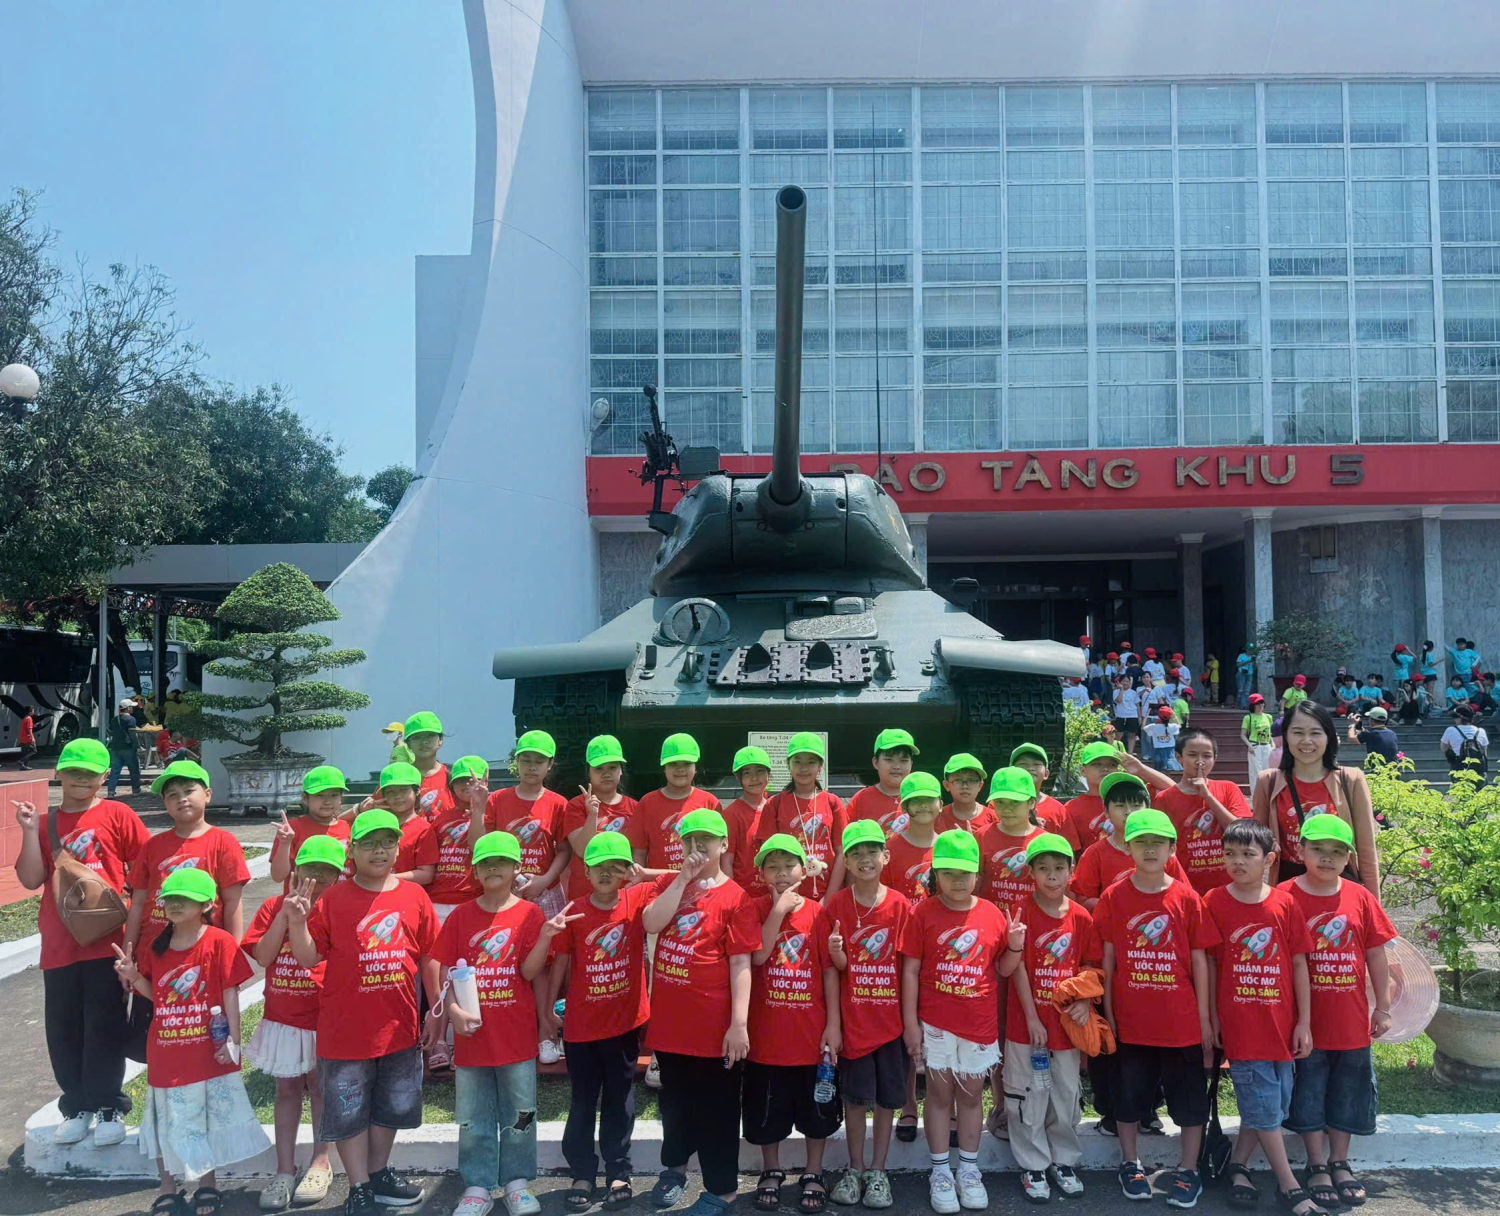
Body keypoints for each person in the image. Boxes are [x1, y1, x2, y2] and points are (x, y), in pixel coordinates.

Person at [285, 808, 441, 1216]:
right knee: (348, 1110)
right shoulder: (333, 899)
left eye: (387, 842)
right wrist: (297, 922)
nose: (379, 850)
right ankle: (359, 1187)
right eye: (368, 843)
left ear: (398, 848)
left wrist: (436, 1009)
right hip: (345, 1031)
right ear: (351, 850)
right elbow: (309, 957)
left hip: (399, 1026)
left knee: (392, 1106)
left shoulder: (414, 896)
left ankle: (378, 1173)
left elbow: (430, 956)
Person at [14, 738, 149, 1149]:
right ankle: (76, 1106)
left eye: (90, 773)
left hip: (108, 942)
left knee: (105, 1023)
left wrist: (137, 938)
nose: (81, 779)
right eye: (73, 771)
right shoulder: (46, 821)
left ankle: (108, 1105)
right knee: (64, 1028)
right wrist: (29, 832)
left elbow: (144, 871)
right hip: (60, 943)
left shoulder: (118, 814)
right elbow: (30, 879)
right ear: (58, 772)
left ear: (105, 776)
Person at [113, 868, 269, 1215]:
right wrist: (133, 976)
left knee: (205, 1121)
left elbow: (229, 993)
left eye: (185, 899)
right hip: (166, 1053)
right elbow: (158, 995)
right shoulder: (156, 947)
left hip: (205, 1052)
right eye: (170, 898)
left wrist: (233, 1040)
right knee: (164, 1121)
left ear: (206, 905)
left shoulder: (219, 942)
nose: (175, 904)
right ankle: (167, 1189)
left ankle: (207, 1186)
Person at [1095, 809, 1218, 1208]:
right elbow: (1108, 959)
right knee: (1128, 1097)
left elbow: (1200, 960)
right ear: (1128, 847)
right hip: (1132, 1022)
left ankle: (1188, 1169)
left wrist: (1204, 1019)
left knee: (1190, 1102)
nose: (1150, 849)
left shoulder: (1187, 898)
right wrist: (1109, 1013)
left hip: (1180, 1023)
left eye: (1158, 843)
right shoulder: (1114, 897)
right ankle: (1130, 1163)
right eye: (1141, 842)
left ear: (1172, 849)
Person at [642, 809, 760, 1216]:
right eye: (689, 840)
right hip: (671, 1025)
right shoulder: (668, 883)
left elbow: (741, 963)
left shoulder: (736, 898)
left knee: (717, 1109)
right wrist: (681, 880)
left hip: (713, 1026)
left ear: (723, 844)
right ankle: (674, 1170)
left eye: (706, 840)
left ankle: (722, 1189)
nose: (697, 847)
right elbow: (652, 922)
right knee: (675, 1104)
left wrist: (738, 1024)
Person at [1277, 816, 1395, 1212]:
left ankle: (1339, 1161)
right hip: (1303, 1023)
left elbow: (1376, 954)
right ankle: (1315, 1163)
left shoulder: (1360, 897)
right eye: (1318, 849)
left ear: (1348, 858)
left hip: (1351, 1020)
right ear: (1300, 851)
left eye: (1337, 851)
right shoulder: (1283, 896)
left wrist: (1383, 1007)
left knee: (1349, 1090)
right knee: (1308, 1090)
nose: (1327, 858)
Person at [432, 829, 553, 1216]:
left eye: (501, 861)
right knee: (473, 1115)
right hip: (472, 1038)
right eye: (485, 862)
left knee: (521, 1112)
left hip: (515, 1034)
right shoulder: (461, 916)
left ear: (517, 867)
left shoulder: (530, 914)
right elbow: (445, 970)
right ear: (475, 870)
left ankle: (517, 1181)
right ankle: (478, 1184)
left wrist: (545, 937)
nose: (493, 868)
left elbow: (530, 972)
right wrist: (452, 1011)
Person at [1204, 821, 1321, 1216]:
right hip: (1243, 1027)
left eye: (1247, 854)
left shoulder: (1285, 904)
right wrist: (1211, 1018)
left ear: (1269, 859)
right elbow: (1209, 964)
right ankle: (1289, 1186)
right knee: (1265, 1107)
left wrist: (1304, 1022)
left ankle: (1238, 1166)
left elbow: (1299, 963)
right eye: (1230, 854)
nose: (1237, 862)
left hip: (1281, 1025)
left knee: (1274, 1106)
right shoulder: (1214, 901)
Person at [899, 831, 1007, 1214]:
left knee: (973, 1096)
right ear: (936, 875)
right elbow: (910, 971)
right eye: (948, 873)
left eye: (965, 873)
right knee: (940, 1096)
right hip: (936, 1023)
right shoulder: (921, 913)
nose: (957, 881)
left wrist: (1016, 944)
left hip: (978, 1023)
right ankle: (941, 1172)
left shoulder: (993, 914)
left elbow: (1004, 967)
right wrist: (911, 1024)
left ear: (978, 874)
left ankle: (970, 1171)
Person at [243, 837, 346, 1212]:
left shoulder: (337, 911)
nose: (316, 879)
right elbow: (262, 956)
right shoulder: (273, 907)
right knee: (286, 1089)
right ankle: (284, 1169)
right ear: (296, 869)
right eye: (310, 869)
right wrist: (285, 917)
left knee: (320, 1087)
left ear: (338, 876)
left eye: (326, 871)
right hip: (283, 1018)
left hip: (323, 1017)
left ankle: (321, 1161)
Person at [997, 833, 1100, 1203]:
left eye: (1059, 868)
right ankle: (1033, 1164)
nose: (1052, 875)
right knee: (1027, 1095)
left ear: (1071, 872)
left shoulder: (1081, 917)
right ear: (1031, 873)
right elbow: (1017, 969)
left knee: (1065, 1094)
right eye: (1043, 868)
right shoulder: (1021, 913)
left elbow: (1089, 966)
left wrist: (1085, 1002)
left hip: (1067, 1028)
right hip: (1027, 1028)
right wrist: (1032, 1018)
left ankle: (1063, 1161)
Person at [552, 832, 652, 1211]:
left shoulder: (636, 899)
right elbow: (562, 961)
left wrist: (643, 874)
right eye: (598, 867)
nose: (607, 874)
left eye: (615, 867)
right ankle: (582, 1171)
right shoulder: (575, 911)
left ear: (627, 871)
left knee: (619, 1097)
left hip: (624, 1023)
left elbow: (683, 876)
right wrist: (547, 1009)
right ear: (586, 871)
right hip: (582, 1026)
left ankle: (618, 1169)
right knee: (582, 1100)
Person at [744, 834, 840, 1216]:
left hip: (810, 1036)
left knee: (818, 1111)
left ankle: (814, 1172)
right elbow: (758, 955)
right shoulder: (754, 908)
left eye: (789, 866)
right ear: (762, 874)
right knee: (766, 1112)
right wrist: (777, 911)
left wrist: (833, 1024)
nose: (782, 873)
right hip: (767, 1038)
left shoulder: (818, 913)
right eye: (773, 867)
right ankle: (771, 1169)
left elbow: (829, 972)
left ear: (804, 870)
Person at [821, 821, 912, 1208]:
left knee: (888, 1101)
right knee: (856, 1100)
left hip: (890, 1023)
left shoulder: (900, 905)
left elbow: (909, 968)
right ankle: (855, 1167)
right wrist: (834, 1023)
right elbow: (833, 969)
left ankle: (878, 1170)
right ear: (845, 861)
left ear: (885, 856)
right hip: (854, 1022)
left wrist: (911, 1023)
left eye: (872, 851)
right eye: (855, 853)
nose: (864, 859)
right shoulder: (837, 905)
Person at [1251, 700, 1381, 897]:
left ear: (1329, 737)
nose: (1306, 740)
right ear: (1285, 736)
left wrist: (1373, 905)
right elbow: (1256, 847)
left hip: (1339, 888)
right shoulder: (1268, 781)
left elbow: (1366, 851)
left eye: (1315, 733)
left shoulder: (1350, 779)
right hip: (1288, 888)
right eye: (1297, 732)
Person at [125, 761, 250, 960]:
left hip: (205, 955)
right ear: (165, 802)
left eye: (189, 791)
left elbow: (233, 901)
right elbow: (138, 903)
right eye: (172, 795)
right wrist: (127, 953)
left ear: (207, 794)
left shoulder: (224, 843)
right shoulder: (152, 846)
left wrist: (232, 956)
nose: (182, 799)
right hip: (153, 954)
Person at [1150, 727, 1251, 897]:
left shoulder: (1228, 789)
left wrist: (1208, 796)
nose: (1200, 762)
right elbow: (1159, 845)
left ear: (1215, 758)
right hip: (1184, 888)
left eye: (1207, 756)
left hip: (1229, 887)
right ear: (1179, 757)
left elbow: (1243, 833)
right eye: (1192, 755)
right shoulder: (1164, 799)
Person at [1069, 773, 1190, 913]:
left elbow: (1184, 895)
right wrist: (1125, 903)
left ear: (1148, 809)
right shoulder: (1094, 854)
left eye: (1136, 805)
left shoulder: (1161, 851)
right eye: (1120, 805)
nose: (1128, 812)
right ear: (1106, 811)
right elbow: (1082, 900)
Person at [481, 732, 571, 918]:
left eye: (539, 761)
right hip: (504, 890)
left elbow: (564, 850)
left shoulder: (558, 803)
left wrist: (545, 880)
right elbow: (483, 845)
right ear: (517, 762)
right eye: (526, 760)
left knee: (549, 936)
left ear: (550, 764)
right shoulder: (497, 799)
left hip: (546, 891)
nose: (532, 767)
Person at [755, 732, 848, 900]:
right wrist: (783, 896)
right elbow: (769, 856)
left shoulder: (833, 803)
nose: (803, 768)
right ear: (788, 764)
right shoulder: (774, 804)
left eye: (811, 762)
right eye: (797, 762)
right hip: (787, 895)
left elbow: (842, 853)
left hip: (828, 895)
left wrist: (830, 897)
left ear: (820, 766)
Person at [626, 732, 722, 873]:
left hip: (700, 882)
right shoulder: (647, 803)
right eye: (673, 764)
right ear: (663, 767)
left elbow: (720, 851)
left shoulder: (710, 802)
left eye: (687, 763)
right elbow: (639, 854)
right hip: (660, 884)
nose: (680, 769)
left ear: (696, 767)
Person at [560, 735, 638, 902]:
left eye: (612, 767)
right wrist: (592, 815)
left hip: (624, 895)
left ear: (621, 770)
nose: (606, 773)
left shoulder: (635, 807)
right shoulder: (576, 805)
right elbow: (582, 850)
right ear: (588, 772)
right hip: (584, 896)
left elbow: (639, 854)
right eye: (599, 768)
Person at [270, 766, 353, 894]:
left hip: (340, 901)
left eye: (334, 795)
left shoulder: (348, 828)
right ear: (305, 798)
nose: (327, 801)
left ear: (340, 798)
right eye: (319, 795)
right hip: (301, 902)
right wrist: (285, 844)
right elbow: (278, 876)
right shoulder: (292, 829)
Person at [428, 756, 490, 922]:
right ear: (451, 786)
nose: (467, 785)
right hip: (438, 900)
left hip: (474, 898)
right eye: (460, 781)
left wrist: (478, 810)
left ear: (485, 782)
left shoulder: (491, 815)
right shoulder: (441, 819)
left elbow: (477, 846)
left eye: (473, 780)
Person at [846, 729, 918, 835]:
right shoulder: (861, 798)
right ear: (876, 762)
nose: (896, 766)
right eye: (889, 760)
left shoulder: (920, 797)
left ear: (911, 763)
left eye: (903, 761)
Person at [723, 745, 772, 896]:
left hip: (774, 894)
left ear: (768, 774)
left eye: (760, 771)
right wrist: (732, 897)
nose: (754, 778)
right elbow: (726, 861)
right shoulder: (731, 814)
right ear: (738, 778)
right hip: (743, 896)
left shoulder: (775, 808)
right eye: (747, 773)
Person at [884, 773, 940, 905]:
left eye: (929, 799)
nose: (923, 805)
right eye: (916, 800)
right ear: (904, 807)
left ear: (941, 805)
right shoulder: (890, 850)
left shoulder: (947, 847)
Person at [1009, 744, 1072, 841]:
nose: (1030, 768)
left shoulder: (1058, 809)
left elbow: (1069, 847)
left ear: (1046, 774)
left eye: (1037, 764)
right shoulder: (998, 804)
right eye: (1023, 764)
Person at [402, 711, 449, 820]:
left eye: (430, 735)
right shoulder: (398, 777)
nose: (424, 742)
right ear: (408, 744)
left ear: (440, 740)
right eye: (417, 737)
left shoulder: (454, 778)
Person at [934, 754, 993, 836]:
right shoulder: (937, 818)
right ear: (947, 785)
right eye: (958, 780)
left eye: (971, 780)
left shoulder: (994, 818)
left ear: (980, 785)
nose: (965, 786)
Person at [107, 701, 143, 798]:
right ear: (128, 708)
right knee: (134, 769)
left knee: (115, 771)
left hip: (115, 748)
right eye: (131, 707)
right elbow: (132, 734)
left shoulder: (114, 719)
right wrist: (137, 746)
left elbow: (110, 731)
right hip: (128, 748)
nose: (132, 708)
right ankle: (136, 790)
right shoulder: (131, 719)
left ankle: (111, 792)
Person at [1441, 705, 1490, 776]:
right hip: (1478, 768)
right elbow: (1484, 752)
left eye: (1455, 717)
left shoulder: (1450, 730)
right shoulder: (1481, 731)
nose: (1454, 719)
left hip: (1458, 767)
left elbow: (1443, 748)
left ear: (1460, 718)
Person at [1241, 694, 1275, 780]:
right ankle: (1255, 789)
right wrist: (1249, 745)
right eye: (1258, 703)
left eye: (1262, 702)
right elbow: (1242, 734)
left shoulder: (1268, 717)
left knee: (1268, 771)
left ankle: (1267, 789)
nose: (1261, 705)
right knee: (1256, 773)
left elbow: (1270, 733)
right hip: (1255, 746)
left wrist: (1273, 744)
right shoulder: (1248, 718)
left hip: (1267, 746)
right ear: (1253, 705)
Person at [1143, 706, 1179, 771]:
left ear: (1159, 716)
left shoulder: (1154, 726)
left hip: (1158, 749)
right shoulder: (1172, 726)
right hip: (1170, 750)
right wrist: (1173, 714)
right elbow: (1179, 725)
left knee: (1159, 769)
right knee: (1171, 768)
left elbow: (1143, 727)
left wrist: (1147, 715)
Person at [1112, 677, 1140, 757]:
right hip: (1120, 715)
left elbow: (1137, 705)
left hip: (1132, 715)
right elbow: (1119, 700)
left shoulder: (1133, 692)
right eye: (1123, 681)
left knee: (1132, 735)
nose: (1125, 683)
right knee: (1118, 735)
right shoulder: (1115, 691)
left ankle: (1130, 752)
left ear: (1130, 683)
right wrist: (1121, 690)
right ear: (1120, 682)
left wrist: (1139, 717)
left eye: (1127, 681)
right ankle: (1118, 751)